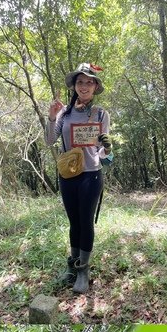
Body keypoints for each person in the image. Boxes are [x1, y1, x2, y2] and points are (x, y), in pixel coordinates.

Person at [46, 63, 113, 295]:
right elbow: (49, 140)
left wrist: (107, 147)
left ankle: (83, 270)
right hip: (67, 175)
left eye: (89, 82)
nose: (84, 86)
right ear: (74, 86)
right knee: (73, 222)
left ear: (95, 86)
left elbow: (104, 154)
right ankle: (73, 266)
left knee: (85, 221)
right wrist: (51, 117)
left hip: (90, 174)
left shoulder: (100, 114)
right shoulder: (64, 113)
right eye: (80, 82)